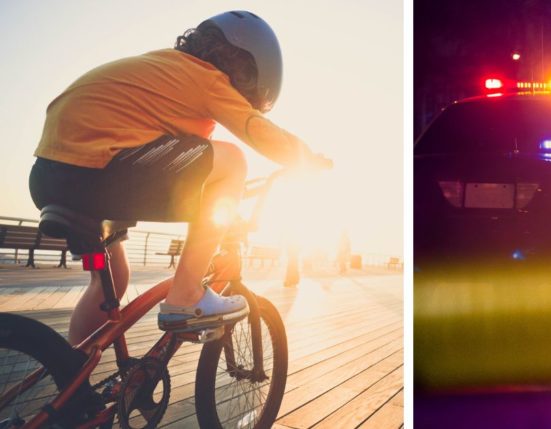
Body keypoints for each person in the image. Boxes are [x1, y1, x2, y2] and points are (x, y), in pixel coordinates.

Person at [29, 10, 330, 345]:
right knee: (232, 160)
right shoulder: (207, 78)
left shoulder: (165, 68)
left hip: (49, 175)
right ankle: (185, 295)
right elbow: (254, 129)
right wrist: (306, 158)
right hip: (99, 173)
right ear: (248, 67)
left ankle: (71, 377)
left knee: (112, 278)